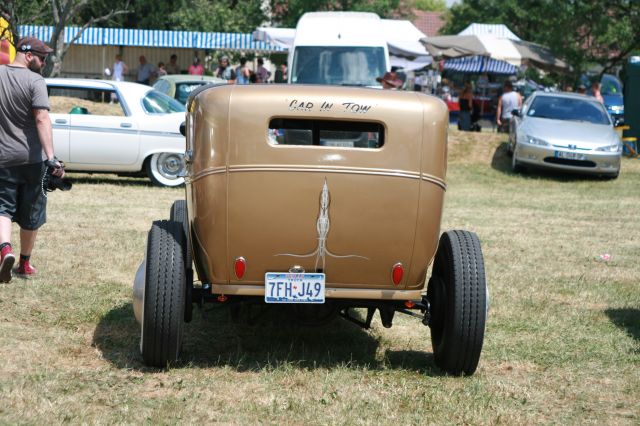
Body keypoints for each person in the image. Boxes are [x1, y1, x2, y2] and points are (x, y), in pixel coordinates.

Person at [0, 36, 65, 283]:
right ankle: (24, 263)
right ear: (28, 55)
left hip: (3, 158)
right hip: (33, 160)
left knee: (2, 206)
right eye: (42, 58)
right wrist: (52, 158)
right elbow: (41, 119)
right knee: (32, 212)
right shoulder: (36, 81)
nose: (44, 62)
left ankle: (5, 249)